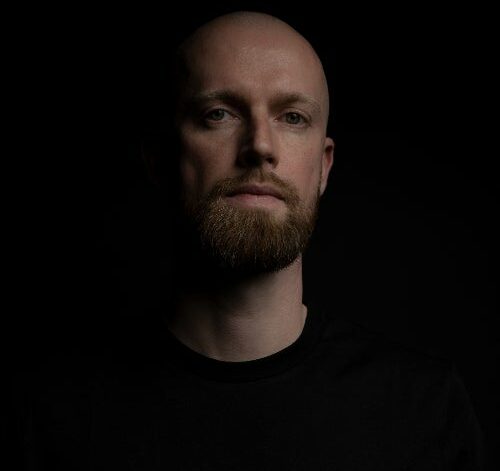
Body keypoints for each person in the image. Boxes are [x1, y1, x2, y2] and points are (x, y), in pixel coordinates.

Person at [9, 11, 486, 470]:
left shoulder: (424, 408)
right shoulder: (50, 414)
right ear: (161, 160)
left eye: (292, 117)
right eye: (218, 113)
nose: (260, 145)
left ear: (323, 167)